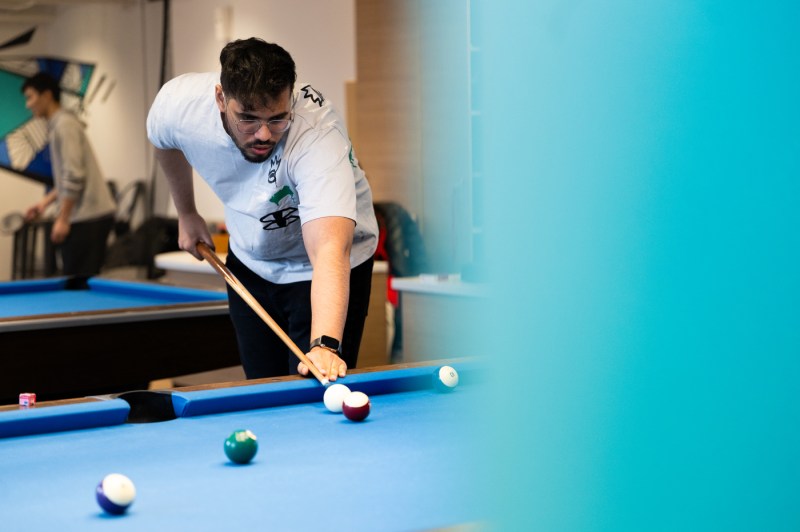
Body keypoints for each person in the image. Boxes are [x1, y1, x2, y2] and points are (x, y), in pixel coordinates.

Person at [147, 38, 379, 382]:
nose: (264, 134)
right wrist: (187, 213)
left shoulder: (317, 136)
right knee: (262, 387)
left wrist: (326, 345)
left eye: (278, 118)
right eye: (248, 119)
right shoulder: (179, 105)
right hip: (250, 262)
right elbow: (162, 141)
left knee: (311, 389)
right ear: (221, 99)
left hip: (320, 270)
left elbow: (331, 249)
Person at [21, 72, 116, 277]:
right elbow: (67, 178)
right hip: (87, 217)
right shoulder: (59, 125)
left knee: (79, 284)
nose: (28, 104)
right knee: (76, 282)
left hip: (89, 218)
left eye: (30, 97)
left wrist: (63, 219)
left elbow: (74, 176)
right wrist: (44, 203)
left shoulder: (64, 125)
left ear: (46, 95)